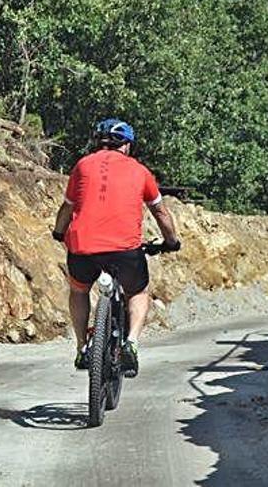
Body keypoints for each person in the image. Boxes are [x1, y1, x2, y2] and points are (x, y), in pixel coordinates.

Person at [51, 118, 180, 378]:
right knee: (138, 292)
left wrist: (58, 232)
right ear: (128, 146)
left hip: (82, 248)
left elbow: (67, 207)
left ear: (99, 143)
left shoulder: (82, 165)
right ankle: (131, 342)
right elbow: (161, 212)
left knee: (79, 290)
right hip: (125, 250)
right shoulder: (140, 171)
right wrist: (171, 241)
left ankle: (81, 346)